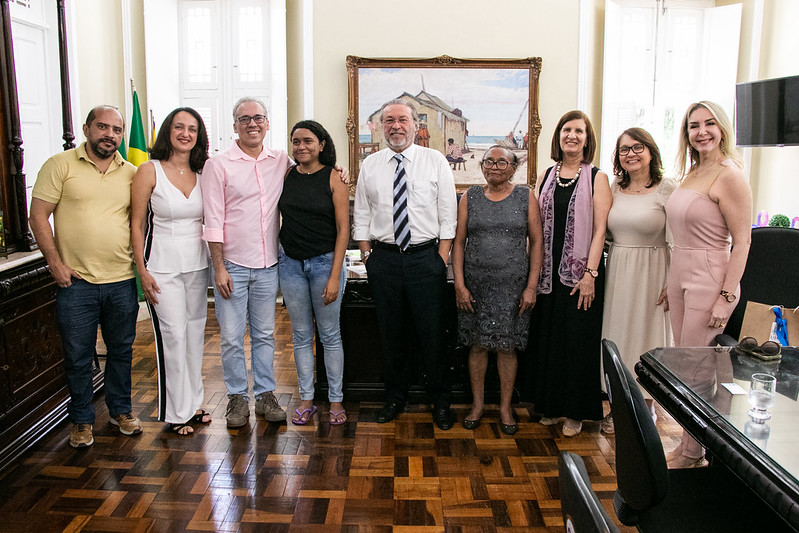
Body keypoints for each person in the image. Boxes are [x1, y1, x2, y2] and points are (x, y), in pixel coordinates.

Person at [29, 106, 143, 448]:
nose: (110, 134)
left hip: (122, 280)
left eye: (117, 129)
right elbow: (38, 215)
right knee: (78, 356)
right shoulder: (60, 165)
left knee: (121, 351)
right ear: (87, 129)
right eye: (102, 127)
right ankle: (81, 420)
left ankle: (121, 411)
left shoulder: (132, 173)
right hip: (75, 283)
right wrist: (55, 263)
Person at [353, 99, 458, 430]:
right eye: (388, 120)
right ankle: (394, 398)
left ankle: (440, 402)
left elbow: (447, 214)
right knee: (390, 335)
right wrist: (368, 255)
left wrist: (441, 257)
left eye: (402, 120)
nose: (395, 126)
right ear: (382, 126)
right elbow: (362, 213)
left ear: (415, 125)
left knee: (432, 335)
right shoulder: (371, 165)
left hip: (425, 260)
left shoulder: (435, 161)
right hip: (383, 260)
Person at [665, 101, 751, 468]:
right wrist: (669, 282)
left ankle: (692, 451)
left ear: (722, 128)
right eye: (694, 125)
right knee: (684, 364)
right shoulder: (693, 171)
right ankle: (692, 445)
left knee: (695, 370)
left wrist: (726, 297)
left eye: (709, 124)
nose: (702, 131)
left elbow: (743, 241)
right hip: (680, 276)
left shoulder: (729, 175)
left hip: (710, 278)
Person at [201, 97, 291, 428]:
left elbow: (313, 168)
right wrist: (219, 267)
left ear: (267, 123)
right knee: (231, 336)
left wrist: (337, 168)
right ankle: (237, 398)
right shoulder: (219, 164)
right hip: (232, 265)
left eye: (258, 118)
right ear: (234, 125)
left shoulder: (280, 160)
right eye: (244, 119)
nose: (252, 124)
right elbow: (212, 219)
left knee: (265, 334)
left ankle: (266, 394)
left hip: (268, 264)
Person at [525, 110, 612, 437]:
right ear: (558, 136)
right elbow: (535, 227)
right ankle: (551, 406)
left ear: (587, 139)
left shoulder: (597, 177)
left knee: (577, 342)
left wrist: (590, 273)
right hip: (548, 273)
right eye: (566, 130)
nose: (572, 136)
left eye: (579, 131)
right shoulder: (548, 174)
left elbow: (600, 228)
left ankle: (576, 412)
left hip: (581, 274)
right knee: (550, 338)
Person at [130, 107, 212, 435]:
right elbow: (136, 225)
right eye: (179, 127)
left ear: (198, 136)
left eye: (192, 128)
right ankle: (176, 413)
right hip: (161, 268)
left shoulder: (205, 171)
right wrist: (142, 272)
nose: (185, 133)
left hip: (198, 265)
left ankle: (193, 404)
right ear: (168, 131)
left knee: (193, 336)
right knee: (173, 337)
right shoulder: (149, 171)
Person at [452, 145, 543, 434]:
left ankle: (505, 408)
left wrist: (531, 286)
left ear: (513, 167)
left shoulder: (525, 196)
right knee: (477, 345)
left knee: (506, 346)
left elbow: (537, 242)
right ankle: (477, 406)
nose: (494, 167)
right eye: (488, 162)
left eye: (501, 162)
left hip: (513, 285)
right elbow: (458, 242)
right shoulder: (470, 196)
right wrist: (460, 285)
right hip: (475, 283)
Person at [601, 127, 676, 434]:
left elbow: (679, 238)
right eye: (624, 150)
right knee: (618, 335)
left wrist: (674, 281)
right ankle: (618, 406)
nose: (630, 154)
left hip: (655, 269)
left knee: (647, 336)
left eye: (637, 148)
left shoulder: (667, 188)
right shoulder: (614, 187)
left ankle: (646, 410)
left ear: (650, 151)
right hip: (618, 268)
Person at [278, 120, 349, 426]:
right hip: (290, 264)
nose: (301, 147)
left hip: (324, 264)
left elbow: (344, 229)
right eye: (296, 141)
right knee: (301, 336)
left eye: (308, 141)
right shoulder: (286, 174)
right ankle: (307, 398)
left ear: (322, 144)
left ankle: (335, 400)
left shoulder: (334, 177)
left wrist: (335, 276)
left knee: (330, 336)